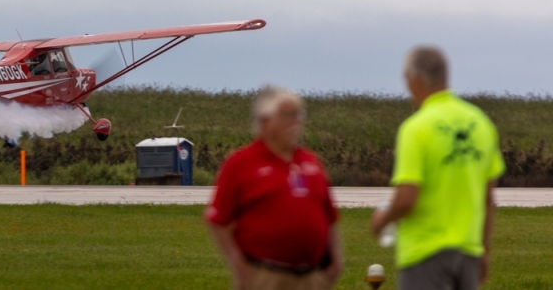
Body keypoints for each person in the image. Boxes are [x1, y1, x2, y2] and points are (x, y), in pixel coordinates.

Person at [370, 45, 505, 290]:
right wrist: (484, 250)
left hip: (425, 252)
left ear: (415, 78)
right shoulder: (481, 123)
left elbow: (406, 199)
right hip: (468, 252)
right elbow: (488, 197)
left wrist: (381, 220)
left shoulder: (417, 128)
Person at [205, 85, 343, 290]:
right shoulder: (241, 164)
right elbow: (217, 220)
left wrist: (336, 262)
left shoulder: (311, 162)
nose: (297, 122)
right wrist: (240, 267)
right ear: (265, 122)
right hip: (265, 277)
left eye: (299, 114)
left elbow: (329, 216)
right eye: (289, 115)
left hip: (312, 277)